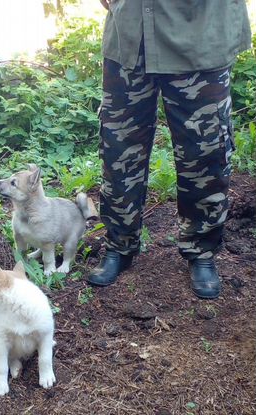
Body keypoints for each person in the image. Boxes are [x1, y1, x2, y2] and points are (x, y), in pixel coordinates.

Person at [87, 0, 252, 299]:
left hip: (200, 35)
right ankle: (119, 244)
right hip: (131, 34)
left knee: (205, 151)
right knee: (118, 147)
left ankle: (201, 250)